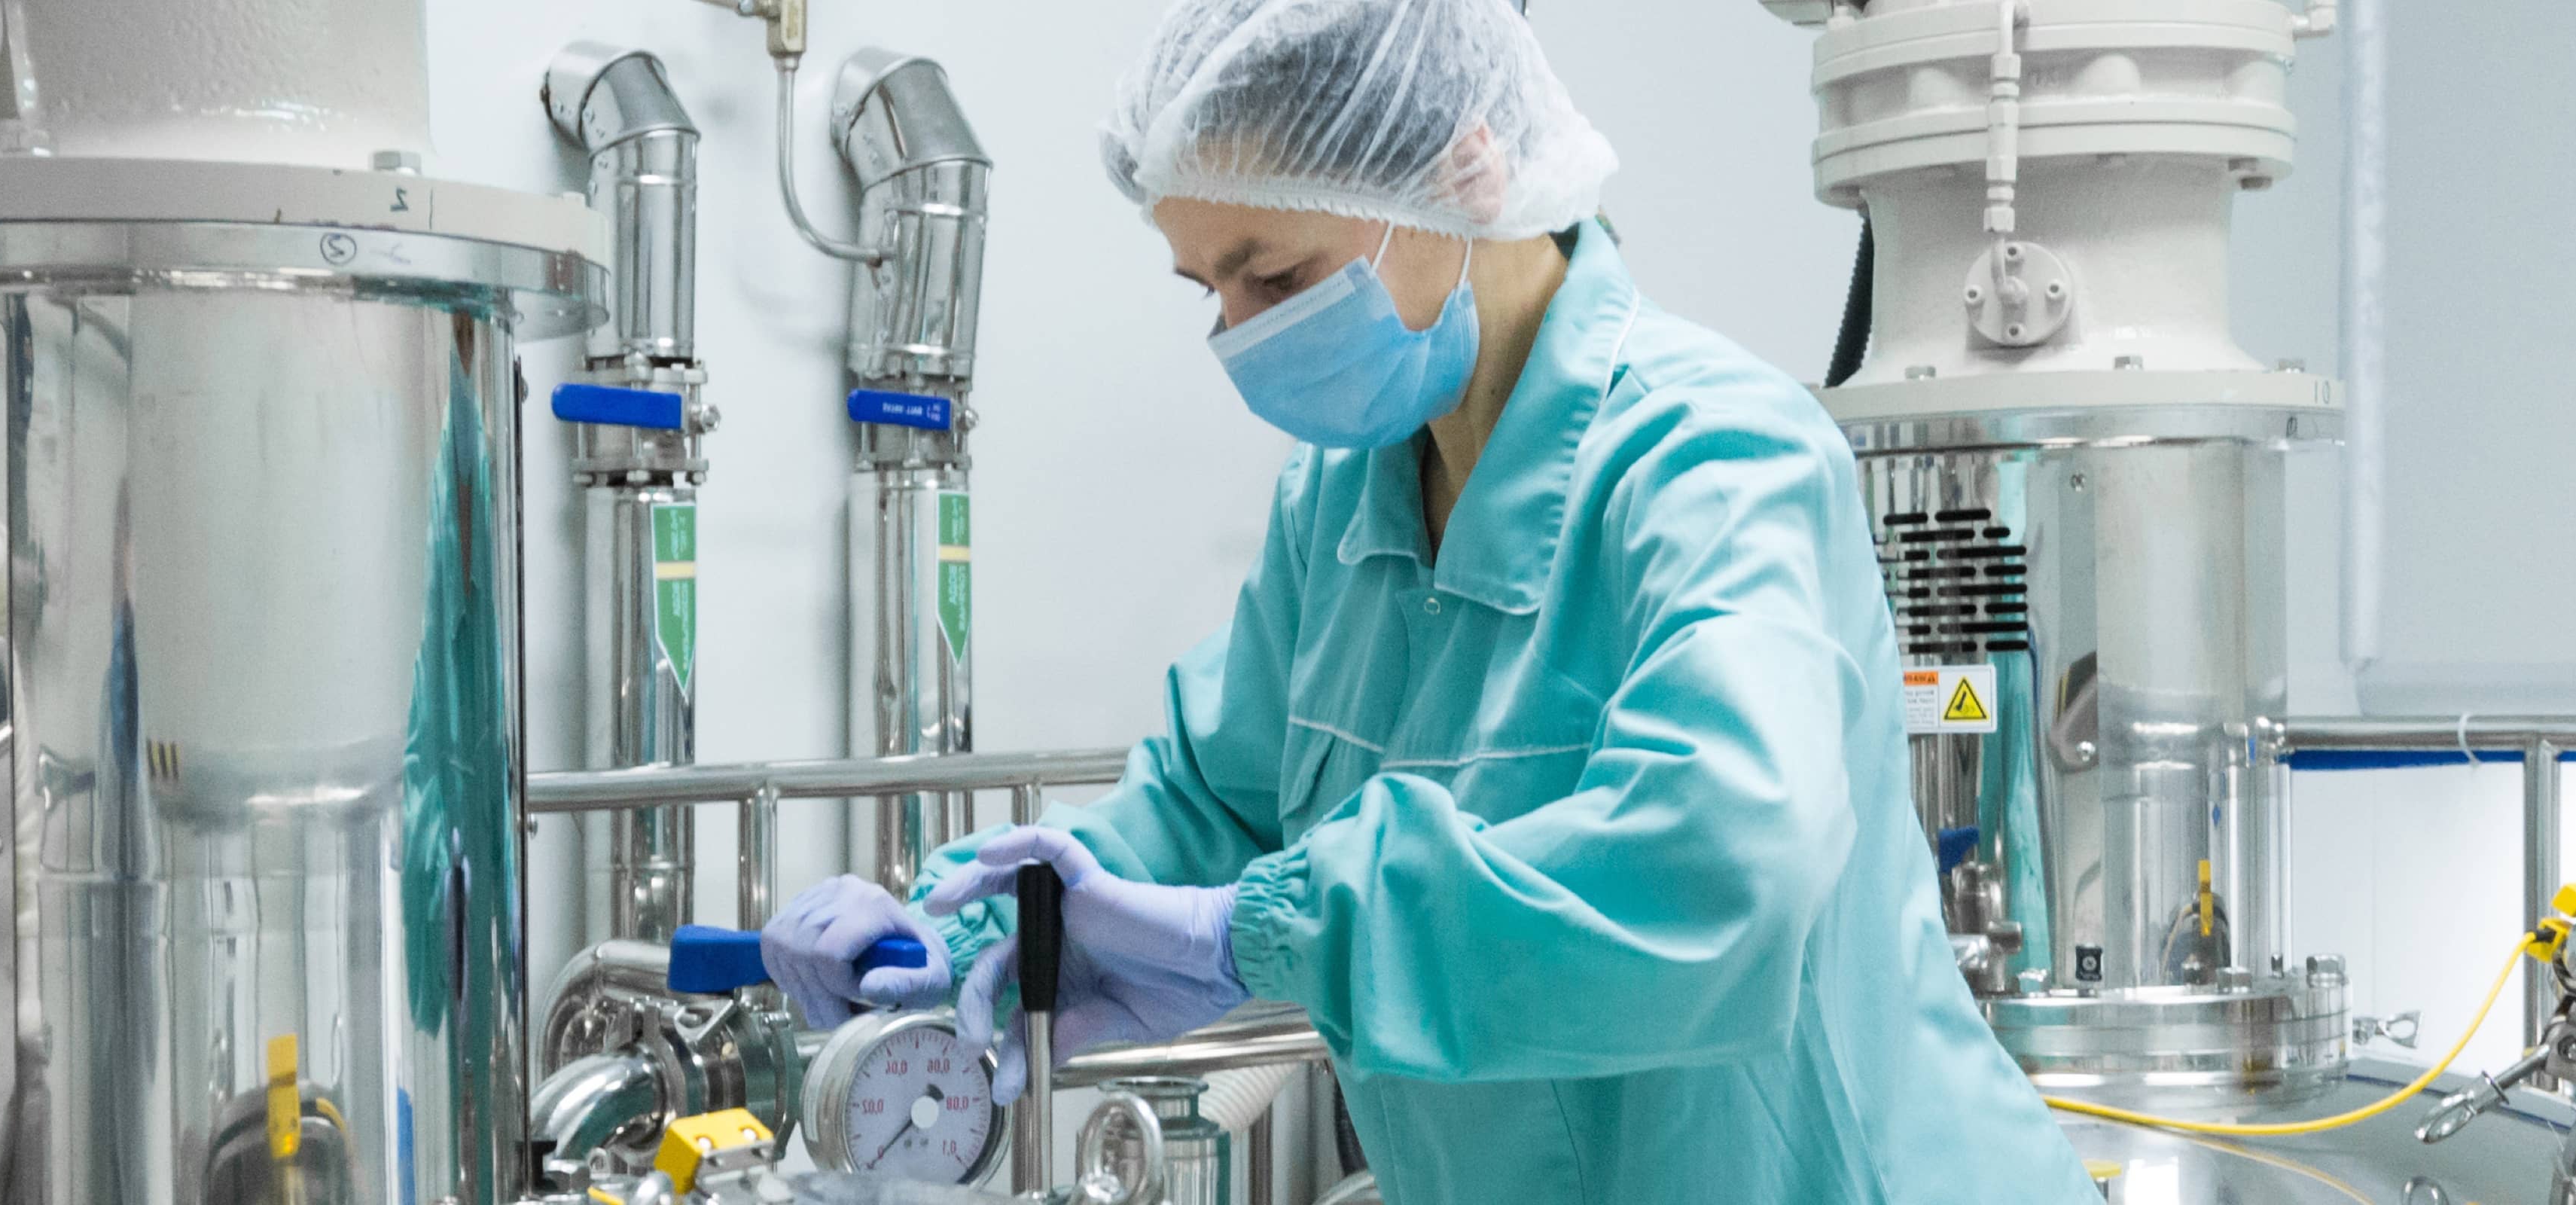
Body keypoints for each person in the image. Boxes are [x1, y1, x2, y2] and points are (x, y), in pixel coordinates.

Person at [760, 0, 2103, 1200]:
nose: (1234, 331)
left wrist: (1268, 935)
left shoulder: (1715, 458)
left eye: (1272, 275)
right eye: (1209, 286)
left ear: (1462, 167)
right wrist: (976, 929)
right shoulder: (1342, 502)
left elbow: (1718, 868)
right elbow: (1207, 805)